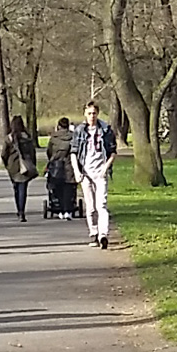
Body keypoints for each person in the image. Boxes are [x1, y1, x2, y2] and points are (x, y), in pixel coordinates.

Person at [71, 101, 117, 250]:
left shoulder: (105, 130)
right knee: (90, 207)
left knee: (101, 205)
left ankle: (103, 234)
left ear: (98, 114)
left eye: (94, 113)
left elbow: (113, 152)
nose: (92, 116)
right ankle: (94, 233)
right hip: (85, 173)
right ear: (85, 114)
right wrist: (77, 172)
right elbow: (73, 153)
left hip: (100, 172)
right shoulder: (79, 131)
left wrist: (106, 168)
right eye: (89, 113)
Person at [0, 115, 38, 222]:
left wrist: (7, 164)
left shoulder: (9, 138)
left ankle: (19, 209)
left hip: (13, 166)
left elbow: (3, 154)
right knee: (23, 189)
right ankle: (21, 211)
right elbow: (32, 152)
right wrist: (32, 163)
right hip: (24, 165)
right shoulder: (27, 137)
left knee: (16, 188)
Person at [46, 117, 77, 220]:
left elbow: (49, 151)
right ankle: (68, 210)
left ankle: (59, 209)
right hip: (69, 164)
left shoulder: (54, 138)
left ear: (58, 126)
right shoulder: (73, 137)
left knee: (57, 187)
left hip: (56, 165)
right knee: (69, 188)